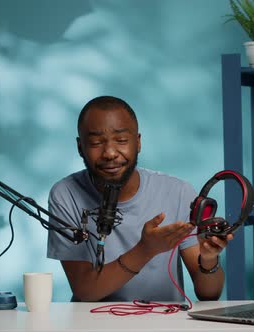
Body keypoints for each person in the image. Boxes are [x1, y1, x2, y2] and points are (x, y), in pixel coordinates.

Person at [47, 96, 232, 302]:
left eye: (121, 140)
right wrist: (146, 250)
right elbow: (85, 291)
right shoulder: (66, 194)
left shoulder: (177, 192)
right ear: (81, 147)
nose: (109, 153)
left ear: (138, 143)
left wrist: (208, 260)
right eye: (96, 142)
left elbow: (209, 293)